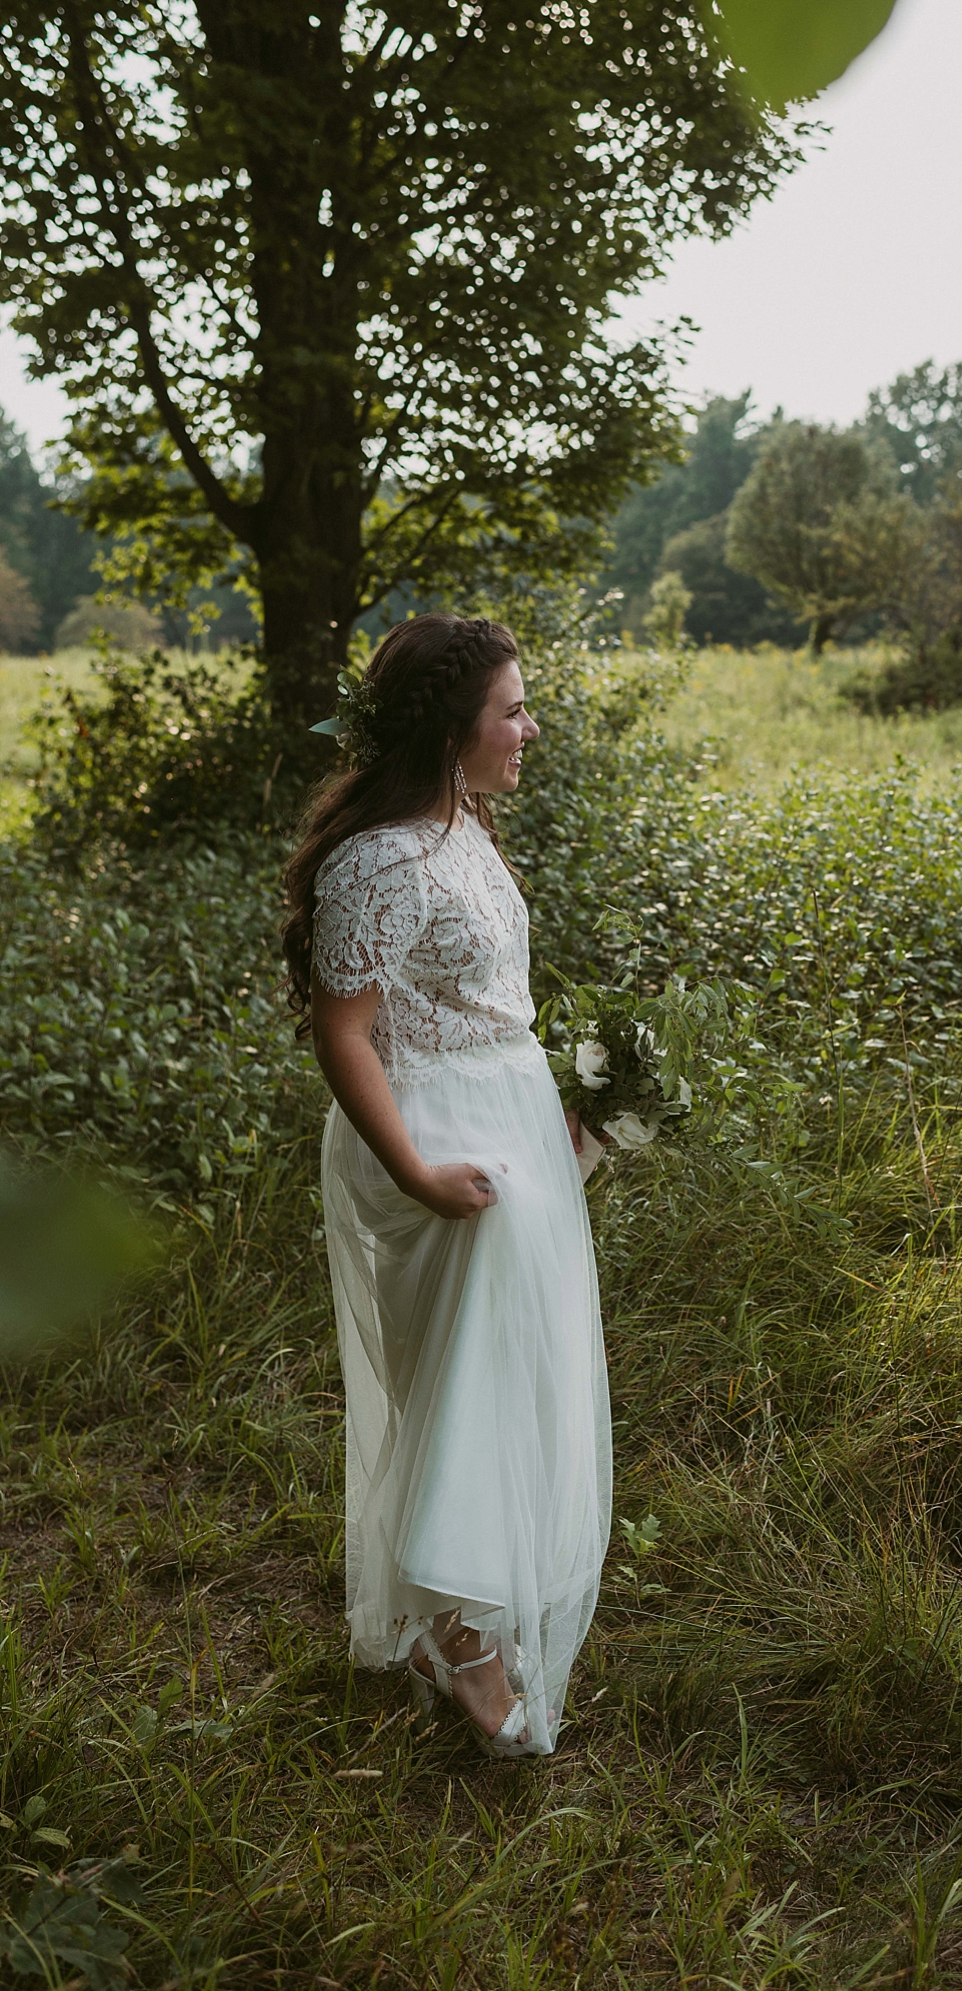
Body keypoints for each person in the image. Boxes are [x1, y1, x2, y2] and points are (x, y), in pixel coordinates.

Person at [281, 614, 610, 1757]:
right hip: (429, 1133)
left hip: (505, 1117)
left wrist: (576, 1122)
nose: (529, 726)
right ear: (448, 726)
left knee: (512, 1373)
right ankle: (459, 1634)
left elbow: (481, 1003)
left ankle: (460, 1614)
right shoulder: (379, 858)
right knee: (461, 1385)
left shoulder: (462, 825)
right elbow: (345, 1031)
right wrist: (414, 1173)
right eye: (511, 709)